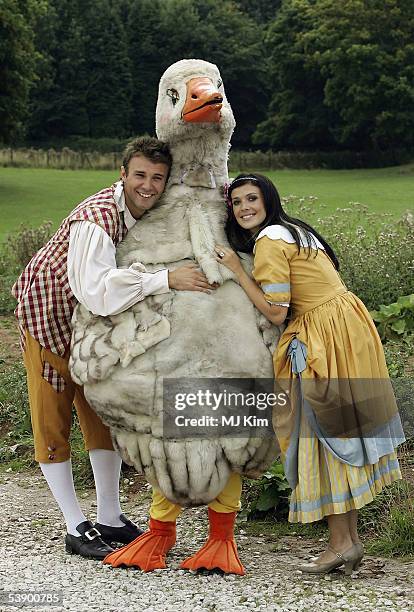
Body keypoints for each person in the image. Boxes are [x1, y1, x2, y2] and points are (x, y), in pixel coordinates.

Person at [12, 136, 214, 560]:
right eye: (140, 175)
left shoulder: (150, 210)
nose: (149, 185)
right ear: (122, 174)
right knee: (54, 419)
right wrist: (165, 280)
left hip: (95, 331)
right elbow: (95, 291)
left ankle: (108, 515)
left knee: (102, 415)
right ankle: (73, 524)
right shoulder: (96, 218)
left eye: (157, 178)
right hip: (50, 319)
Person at [215, 173, 405, 575]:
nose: (245, 207)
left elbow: (276, 311)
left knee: (323, 436)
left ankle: (339, 543)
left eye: (252, 199)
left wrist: (236, 269)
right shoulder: (295, 230)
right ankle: (350, 543)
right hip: (348, 327)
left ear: (268, 200)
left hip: (322, 337)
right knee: (343, 433)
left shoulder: (269, 241)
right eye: (236, 202)